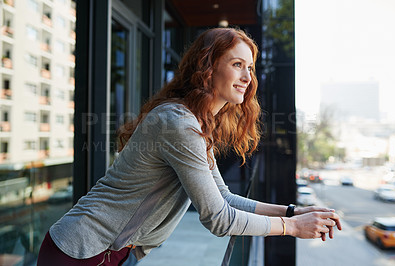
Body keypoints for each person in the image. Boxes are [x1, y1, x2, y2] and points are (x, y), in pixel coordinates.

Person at [37, 27, 341, 265]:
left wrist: (291, 212)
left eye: (250, 67)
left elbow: (223, 198)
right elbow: (218, 219)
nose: (248, 77)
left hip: (113, 253)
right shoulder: (179, 124)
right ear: (207, 67)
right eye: (238, 64)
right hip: (78, 251)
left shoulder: (196, 122)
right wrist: (292, 228)